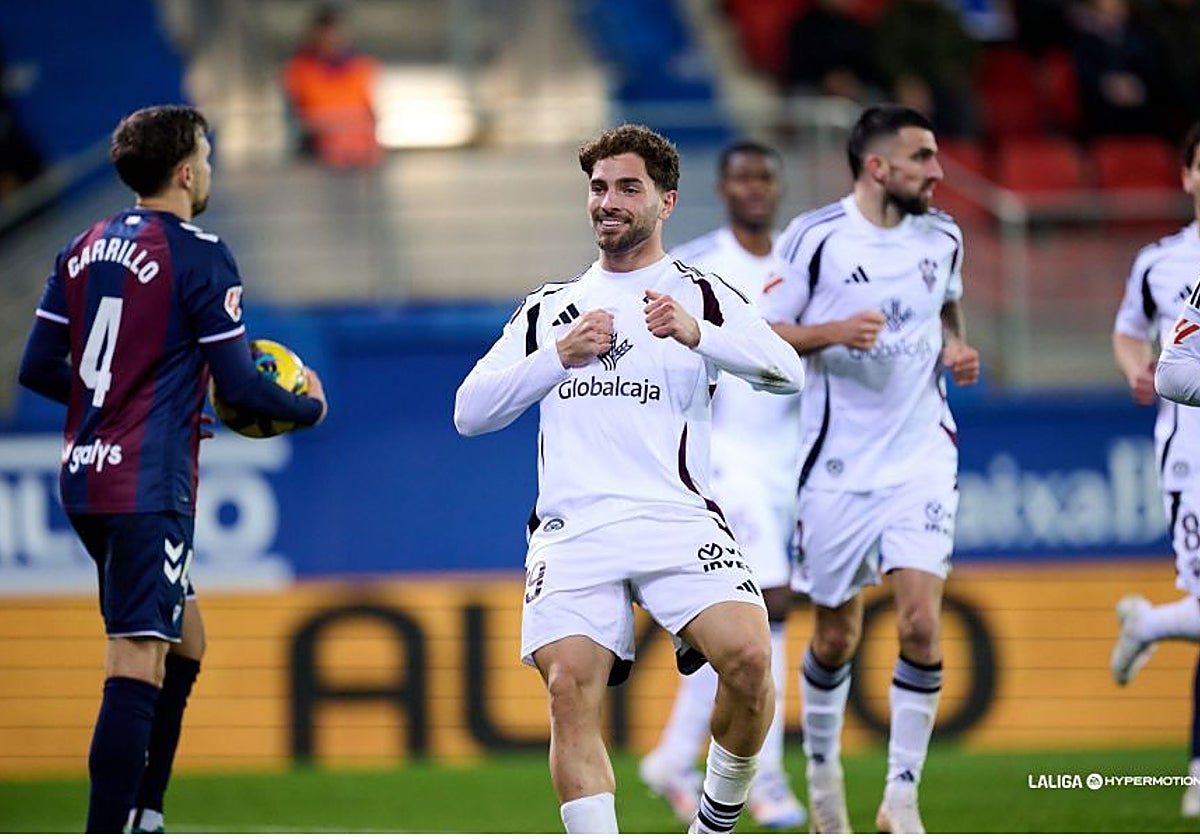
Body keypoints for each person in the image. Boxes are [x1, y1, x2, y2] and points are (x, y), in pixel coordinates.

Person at [454, 123, 805, 834]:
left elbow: (787, 372)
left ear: (666, 202)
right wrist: (557, 355)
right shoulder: (551, 307)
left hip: (675, 519)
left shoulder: (702, 293)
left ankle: (712, 823)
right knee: (567, 689)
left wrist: (699, 335)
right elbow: (468, 412)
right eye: (598, 188)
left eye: (627, 188)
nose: (608, 201)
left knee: (747, 660)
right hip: (573, 529)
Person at [17, 104, 328, 833]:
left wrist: (128, 401)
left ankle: (145, 812)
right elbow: (245, 389)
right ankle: (113, 826)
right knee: (135, 658)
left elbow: (38, 368)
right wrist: (310, 405)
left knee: (185, 635)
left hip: (85, 473)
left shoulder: (82, 244)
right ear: (186, 171)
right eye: (208, 154)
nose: (210, 167)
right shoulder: (199, 252)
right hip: (145, 483)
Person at [759, 103, 981, 833]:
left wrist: (955, 346)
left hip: (921, 454)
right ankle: (824, 787)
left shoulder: (943, 236)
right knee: (834, 637)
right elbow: (763, 337)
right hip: (837, 467)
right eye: (922, 158)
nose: (938, 172)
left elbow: (945, 309)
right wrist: (831, 332)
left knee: (921, 625)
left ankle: (902, 802)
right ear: (878, 166)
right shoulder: (816, 238)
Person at [637, 141, 807, 830]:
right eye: (741, 177)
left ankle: (678, 756)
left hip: (790, 459)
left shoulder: (801, 263)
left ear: (778, 184)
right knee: (769, 608)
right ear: (723, 187)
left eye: (765, 175)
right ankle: (759, 772)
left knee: (744, 622)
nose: (755, 187)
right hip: (724, 457)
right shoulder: (699, 264)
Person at [1112, 121, 1200, 819]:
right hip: (1191, 453)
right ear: (1187, 175)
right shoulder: (1163, 263)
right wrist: (1135, 366)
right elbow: (1135, 337)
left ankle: (1153, 624)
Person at [281, 5, 382, 168]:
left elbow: (372, 112)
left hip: (363, 156)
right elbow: (296, 118)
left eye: (336, 34)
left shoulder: (364, 68)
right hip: (319, 157)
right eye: (326, 35)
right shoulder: (298, 70)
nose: (331, 40)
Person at [871, 0, 982, 137]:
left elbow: (968, 53)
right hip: (905, 84)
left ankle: (963, 153)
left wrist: (954, 75)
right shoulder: (896, 18)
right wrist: (905, 79)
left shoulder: (949, 19)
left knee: (964, 107)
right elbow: (885, 55)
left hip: (945, 86)